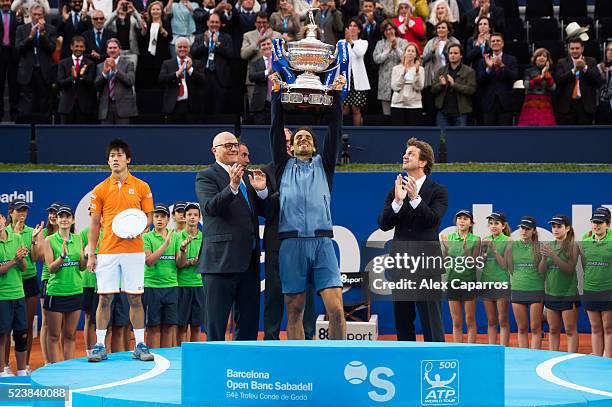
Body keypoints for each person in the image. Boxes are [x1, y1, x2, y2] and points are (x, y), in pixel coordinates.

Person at [269, 73, 346, 340]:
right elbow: (275, 129)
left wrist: (336, 96)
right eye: (298, 138)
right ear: (290, 147)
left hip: (323, 242)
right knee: (294, 310)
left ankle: (339, 360)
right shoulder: (282, 166)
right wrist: (277, 94)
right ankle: (298, 362)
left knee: (336, 309)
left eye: (308, 138)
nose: (303, 140)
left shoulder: (324, 166)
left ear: (314, 146)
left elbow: (334, 130)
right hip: (291, 243)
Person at [195, 132, 270, 341]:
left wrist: (262, 191)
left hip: (249, 261)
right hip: (220, 262)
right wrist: (233, 187)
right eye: (227, 145)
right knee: (216, 324)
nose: (233, 149)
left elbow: (265, 212)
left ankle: (244, 367)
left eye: (235, 145)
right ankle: (214, 369)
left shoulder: (247, 176)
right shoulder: (206, 175)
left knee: (248, 324)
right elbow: (210, 208)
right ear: (214, 151)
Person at [86, 138, 155, 362]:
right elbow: (95, 223)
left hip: (134, 250)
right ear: (108, 162)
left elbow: (149, 217)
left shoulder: (142, 186)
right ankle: (99, 345)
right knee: (104, 298)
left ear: (128, 159)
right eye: (111, 156)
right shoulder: (99, 189)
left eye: (119, 155)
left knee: (135, 299)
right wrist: (92, 253)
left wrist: (141, 228)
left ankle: (141, 344)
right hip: (107, 251)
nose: (115, 159)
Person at [378, 137, 448, 342]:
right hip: (401, 263)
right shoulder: (395, 190)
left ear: (423, 162)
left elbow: (432, 221)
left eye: (411, 154)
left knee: (431, 319)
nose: (405, 156)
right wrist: (398, 202)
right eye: (405, 153)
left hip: (427, 263)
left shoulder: (438, 191)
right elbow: (383, 224)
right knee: (403, 318)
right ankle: (406, 361)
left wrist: (416, 198)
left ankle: (436, 360)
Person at [262, 128, 317, 340]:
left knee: (307, 294)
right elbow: (266, 210)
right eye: (283, 140)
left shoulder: (313, 168)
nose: (287, 144)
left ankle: (308, 337)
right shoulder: (267, 171)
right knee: (274, 294)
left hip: (306, 240)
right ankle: (271, 339)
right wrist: (284, 193)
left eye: (289, 140)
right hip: (278, 242)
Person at [42, 205, 85, 363]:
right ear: (57, 220)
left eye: (67, 216)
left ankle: (68, 368)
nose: (64, 219)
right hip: (56, 293)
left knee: (70, 335)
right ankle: (55, 370)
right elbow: (51, 269)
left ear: (72, 220)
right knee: (53, 336)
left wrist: (86, 257)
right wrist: (61, 257)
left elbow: (81, 267)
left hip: (75, 291)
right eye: (61, 216)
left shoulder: (78, 238)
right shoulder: (49, 240)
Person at [5, 200, 43, 374]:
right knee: (4, 329)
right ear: (10, 212)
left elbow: (35, 259)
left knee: (25, 326)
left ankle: (25, 365)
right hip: (8, 282)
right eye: (19, 210)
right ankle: (5, 365)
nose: (22, 214)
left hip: (28, 281)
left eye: (25, 211)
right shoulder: (4, 233)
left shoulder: (31, 232)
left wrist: (34, 241)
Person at [539, 214, 580, 353]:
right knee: (553, 329)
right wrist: (544, 258)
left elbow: (569, 269)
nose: (555, 229)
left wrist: (553, 255)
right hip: (551, 293)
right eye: (553, 226)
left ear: (567, 228)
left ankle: (571, 358)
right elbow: (542, 272)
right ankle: (552, 357)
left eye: (559, 226)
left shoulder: (573, 246)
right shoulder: (548, 246)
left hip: (568, 294)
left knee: (570, 329)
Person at [439, 209, 480, 343]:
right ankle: (458, 351)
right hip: (452, 282)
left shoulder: (476, 239)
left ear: (471, 223)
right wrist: (445, 247)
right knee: (456, 321)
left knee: (469, 319)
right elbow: (445, 260)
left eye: (465, 219)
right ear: (456, 221)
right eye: (460, 218)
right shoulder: (449, 238)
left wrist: (466, 250)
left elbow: (473, 263)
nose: (462, 221)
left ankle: (471, 350)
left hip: (469, 282)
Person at [143, 203, 179, 349]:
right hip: (152, 286)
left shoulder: (175, 236)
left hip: (171, 286)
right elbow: (149, 261)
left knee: (168, 326)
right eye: (156, 216)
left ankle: (166, 360)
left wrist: (182, 250)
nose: (159, 219)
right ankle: (154, 358)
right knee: (153, 327)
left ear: (168, 219)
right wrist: (165, 244)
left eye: (163, 216)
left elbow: (179, 263)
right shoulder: (147, 237)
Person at [15, 4, 57, 124]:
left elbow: (51, 48)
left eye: (39, 14)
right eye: (34, 14)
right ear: (30, 15)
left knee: (45, 103)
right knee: (27, 105)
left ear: (43, 15)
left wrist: (42, 35)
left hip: (44, 71)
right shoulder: (21, 29)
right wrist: (30, 37)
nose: (37, 17)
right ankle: (28, 133)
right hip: (27, 72)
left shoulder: (51, 29)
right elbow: (19, 49)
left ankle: (44, 133)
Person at [580, 207, 612, 357]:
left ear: (608, 223)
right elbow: (585, 265)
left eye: (601, 222)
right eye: (594, 222)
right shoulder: (585, 242)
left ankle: (607, 360)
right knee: (595, 327)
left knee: (608, 328)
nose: (597, 225)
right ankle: (597, 360)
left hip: (608, 290)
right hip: (590, 290)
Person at [0, 212, 28, 377]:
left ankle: (22, 371)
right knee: (2, 335)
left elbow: (24, 268)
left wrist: (20, 260)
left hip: (19, 293)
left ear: (4, 219)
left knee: (21, 333)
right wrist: (14, 260)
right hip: (2, 296)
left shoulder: (17, 238)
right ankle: (2, 371)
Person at [510, 216, 544, 349]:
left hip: (536, 289)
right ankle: (525, 357)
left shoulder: (540, 247)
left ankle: (535, 356)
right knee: (522, 328)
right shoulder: (512, 246)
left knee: (535, 328)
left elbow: (542, 271)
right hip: (518, 289)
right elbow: (510, 267)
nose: (524, 231)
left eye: (527, 229)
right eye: (522, 228)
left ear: (534, 231)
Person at [191, 12, 233, 115]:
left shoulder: (226, 38)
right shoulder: (200, 37)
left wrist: (218, 44)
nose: (214, 24)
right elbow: (194, 53)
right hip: (204, 75)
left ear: (220, 24)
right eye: (212, 22)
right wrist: (205, 44)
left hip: (220, 77)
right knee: (204, 107)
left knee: (219, 109)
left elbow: (231, 54)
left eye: (216, 22)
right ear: (207, 23)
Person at [480, 211, 512, 346]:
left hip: (501, 283)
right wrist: (484, 255)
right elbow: (480, 263)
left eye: (497, 223)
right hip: (486, 283)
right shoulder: (485, 240)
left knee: (502, 320)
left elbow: (505, 264)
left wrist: (493, 249)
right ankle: (492, 348)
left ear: (503, 226)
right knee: (491, 320)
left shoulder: (509, 241)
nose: (493, 226)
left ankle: (504, 348)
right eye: (491, 223)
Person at [554, 37, 601, 125]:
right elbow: (558, 81)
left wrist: (585, 69)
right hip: (567, 106)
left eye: (577, 48)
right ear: (568, 49)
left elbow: (598, 81)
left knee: (585, 136)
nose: (574, 51)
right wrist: (573, 71)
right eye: (572, 48)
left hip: (586, 106)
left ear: (582, 49)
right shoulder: (562, 62)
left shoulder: (591, 61)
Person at [159, 37, 205, 124]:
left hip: (191, 107)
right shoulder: (167, 63)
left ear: (189, 49)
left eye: (185, 47)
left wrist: (190, 70)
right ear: (176, 49)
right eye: (180, 47)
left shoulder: (197, 63)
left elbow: (203, 80)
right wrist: (177, 73)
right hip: (173, 107)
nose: (182, 49)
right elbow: (161, 79)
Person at [475, 32, 518, 125]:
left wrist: (503, 66)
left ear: (502, 43)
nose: (495, 43)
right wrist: (489, 68)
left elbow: (514, 77)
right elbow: (480, 80)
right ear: (490, 44)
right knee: (489, 136)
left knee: (505, 135)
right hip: (488, 103)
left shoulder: (511, 59)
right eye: (493, 41)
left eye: (498, 41)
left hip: (505, 104)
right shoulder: (483, 61)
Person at [175, 202, 203, 344]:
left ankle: (195, 356)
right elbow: (179, 264)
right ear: (184, 218)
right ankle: (179, 355)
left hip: (200, 286)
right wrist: (184, 253)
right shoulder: (177, 237)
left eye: (195, 215)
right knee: (181, 326)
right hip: (182, 285)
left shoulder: (205, 237)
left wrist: (200, 262)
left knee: (197, 326)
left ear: (199, 218)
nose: (192, 217)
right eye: (189, 215)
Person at [430, 43, 476, 127]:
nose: (452, 55)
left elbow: (471, 89)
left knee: (460, 137)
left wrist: (454, 85)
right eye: (450, 53)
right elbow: (432, 89)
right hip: (443, 112)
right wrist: (441, 85)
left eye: (455, 53)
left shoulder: (469, 71)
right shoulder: (441, 70)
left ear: (461, 55)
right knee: (442, 138)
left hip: (461, 113)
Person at [95, 38, 138, 124]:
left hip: (124, 108)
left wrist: (115, 69)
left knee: (123, 136)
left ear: (119, 50)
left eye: (115, 48)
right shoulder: (100, 66)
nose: (112, 50)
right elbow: (96, 86)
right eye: (110, 48)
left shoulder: (128, 64)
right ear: (106, 50)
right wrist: (104, 74)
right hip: (105, 108)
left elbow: (130, 81)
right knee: (106, 136)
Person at [57, 36, 97, 124]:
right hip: (66, 106)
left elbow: (91, 83)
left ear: (85, 48)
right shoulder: (63, 63)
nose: (79, 49)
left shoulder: (90, 63)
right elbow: (59, 83)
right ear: (71, 47)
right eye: (76, 46)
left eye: (81, 46)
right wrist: (72, 78)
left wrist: (82, 76)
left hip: (84, 107)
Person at [373, 19, 407, 116]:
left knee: (399, 110)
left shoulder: (403, 42)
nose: (388, 32)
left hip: (400, 80)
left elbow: (406, 58)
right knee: (386, 113)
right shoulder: (380, 43)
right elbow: (377, 59)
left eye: (390, 29)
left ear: (395, 29)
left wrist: (396, 48)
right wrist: (389, 49)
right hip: (385, 81)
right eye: (386, 30)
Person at [80, 211, 102, 358]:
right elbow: (81, 255)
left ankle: (102, 349)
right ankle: (89, 352)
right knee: (89, 317)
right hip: (88, 281)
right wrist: (87, 254)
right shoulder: (84, 233)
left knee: (104, 319)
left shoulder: (109, 233)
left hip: (104, 282)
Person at [136, 0, 172, 89]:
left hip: (161, 56)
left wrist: (161, 29)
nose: (155, 11)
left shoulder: (166, 22)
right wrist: (143, 30)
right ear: (150, 11)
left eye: (158, 9)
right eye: (153, 9)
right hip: (147, 58)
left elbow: (169, 38)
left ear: (161, 11)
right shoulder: (146, 22)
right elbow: (140, 38)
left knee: (160, 83)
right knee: (148, 84)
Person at [517, 48, 556, 126]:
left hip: (545, 105)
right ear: (535, 59)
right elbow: (527, 85)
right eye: (539, 56)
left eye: (544, 56)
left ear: (547, 60)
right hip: (531, 104)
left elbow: (553, 88)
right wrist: (540, 77)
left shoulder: (551, 71)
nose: (542, 57)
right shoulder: (528, 71)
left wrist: (548, 78)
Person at [390, 42, 424, 125]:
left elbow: (419, 87)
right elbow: (395, 87)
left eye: (413, 51)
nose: (410, 53)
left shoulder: (420, 69)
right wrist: (403, 73)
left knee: (413, 133)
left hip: (414, 105)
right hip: (398, 104)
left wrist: (416, 73)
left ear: (416, 55)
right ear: (405, 53)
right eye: (408, 50)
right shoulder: (396, 69)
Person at [344, 17, 370, 126]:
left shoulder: (363, 42)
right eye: (351, 26)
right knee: (344, 109)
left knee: (356, 109)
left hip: (357, 80)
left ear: (359, 29)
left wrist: (350, 42)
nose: (353, 28)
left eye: (355, 26)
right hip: (345, 79)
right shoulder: (341, 43)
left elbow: (360, 53)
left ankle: (357, 131)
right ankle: (342, 132)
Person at [104, 0, 143, 71]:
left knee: (131, 75)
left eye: (126, 4)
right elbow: (105, 26)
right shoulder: (113, 18)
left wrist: (134, 11)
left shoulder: (133, 17)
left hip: (131, 52)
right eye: (121, 4)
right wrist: (116, 11)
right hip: (117, 52)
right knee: (117, 73)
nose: (123, 6)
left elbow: (141, 26)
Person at [0, 0, 20, 122]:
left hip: (13, 55)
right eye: (2, 1)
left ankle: (14, 114)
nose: (5, 3)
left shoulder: (16, 16)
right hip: (0, 54)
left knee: (14, 86)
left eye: (7, 0)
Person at [248, 37, 274, 124]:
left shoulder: (280, 61)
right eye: (263, 44)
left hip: (278, 102)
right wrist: (267, 72)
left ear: (273, 45)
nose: (266, 46)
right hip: (261, 104)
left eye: (268, 44)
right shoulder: (255, 63)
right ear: (260, 48)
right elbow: (251, 77)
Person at [595, 43, 612, 125]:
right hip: (601, 102)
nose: (610, 52)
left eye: (611, 50)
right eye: (608, 50)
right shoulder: (599, 67)